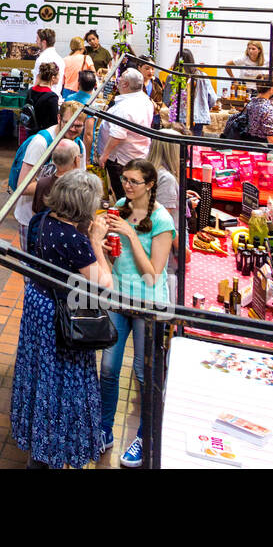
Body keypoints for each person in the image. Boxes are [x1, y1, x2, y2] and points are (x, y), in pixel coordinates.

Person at [11, 170, 112, 469]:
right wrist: (95, 242)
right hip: (61, 318)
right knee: (63, 383)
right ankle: (56, 450)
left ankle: (37, 443)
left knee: (38, 374)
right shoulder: (75, 240)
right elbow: (105, 283)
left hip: (37, 306)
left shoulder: (39, 221)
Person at [99, 156, 175, 468]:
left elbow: (153, 274)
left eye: (134, 181)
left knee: (144, 374)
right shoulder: (120, 205)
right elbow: (118, 258)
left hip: (146, 304)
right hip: (119, 298)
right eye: (125, 180)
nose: (127, 186)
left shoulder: (162, 220)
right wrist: (107, 247)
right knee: (108, 367)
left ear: (150, 185)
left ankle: (145, 435)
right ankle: (104, 428)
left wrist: (130, 235)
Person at [14, 137, 82, 248]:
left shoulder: (42, 183)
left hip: (43, 238)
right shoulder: (76, 188)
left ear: (53, 160)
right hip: (65, 242)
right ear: (76, 160)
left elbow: (35, 214)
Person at [98, 68, 155, 201]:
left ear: (125, 85)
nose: (118, 80)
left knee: (123, 195)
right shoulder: (145, 99)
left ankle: (126, 216)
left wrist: (104, 155)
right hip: (137, 154)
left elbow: (118, 135)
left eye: (121, 78)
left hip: (121, 160)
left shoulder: (125, 108)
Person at [166, 49, 217, 137]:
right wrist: (204, 107)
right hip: (197, 119)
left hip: (178, 118)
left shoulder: (173, 76)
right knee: (194, 145)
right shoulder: (202, 76)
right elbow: (212, 98)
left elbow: (167, 99)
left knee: (178, 146)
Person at [25, 62, 60, 139]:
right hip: (43, 135)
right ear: (53, 78)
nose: (59, 77)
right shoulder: (52, 97)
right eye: (58, 75)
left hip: (30, 132)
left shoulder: (30, 91)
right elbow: (54, 122)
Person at [241, 79, 273, 145]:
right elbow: (271, 135)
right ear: (271, 89)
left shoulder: (251, 103)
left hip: (250, 142)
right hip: (263, 145)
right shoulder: (267, 109)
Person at [33, 28, 68, 95]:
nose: (36, 41)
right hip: (55, 96)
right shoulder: (60, 59)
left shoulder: (42, 59)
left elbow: (37, 82)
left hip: (42, 97)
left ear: (44, 42)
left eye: (37, 39)